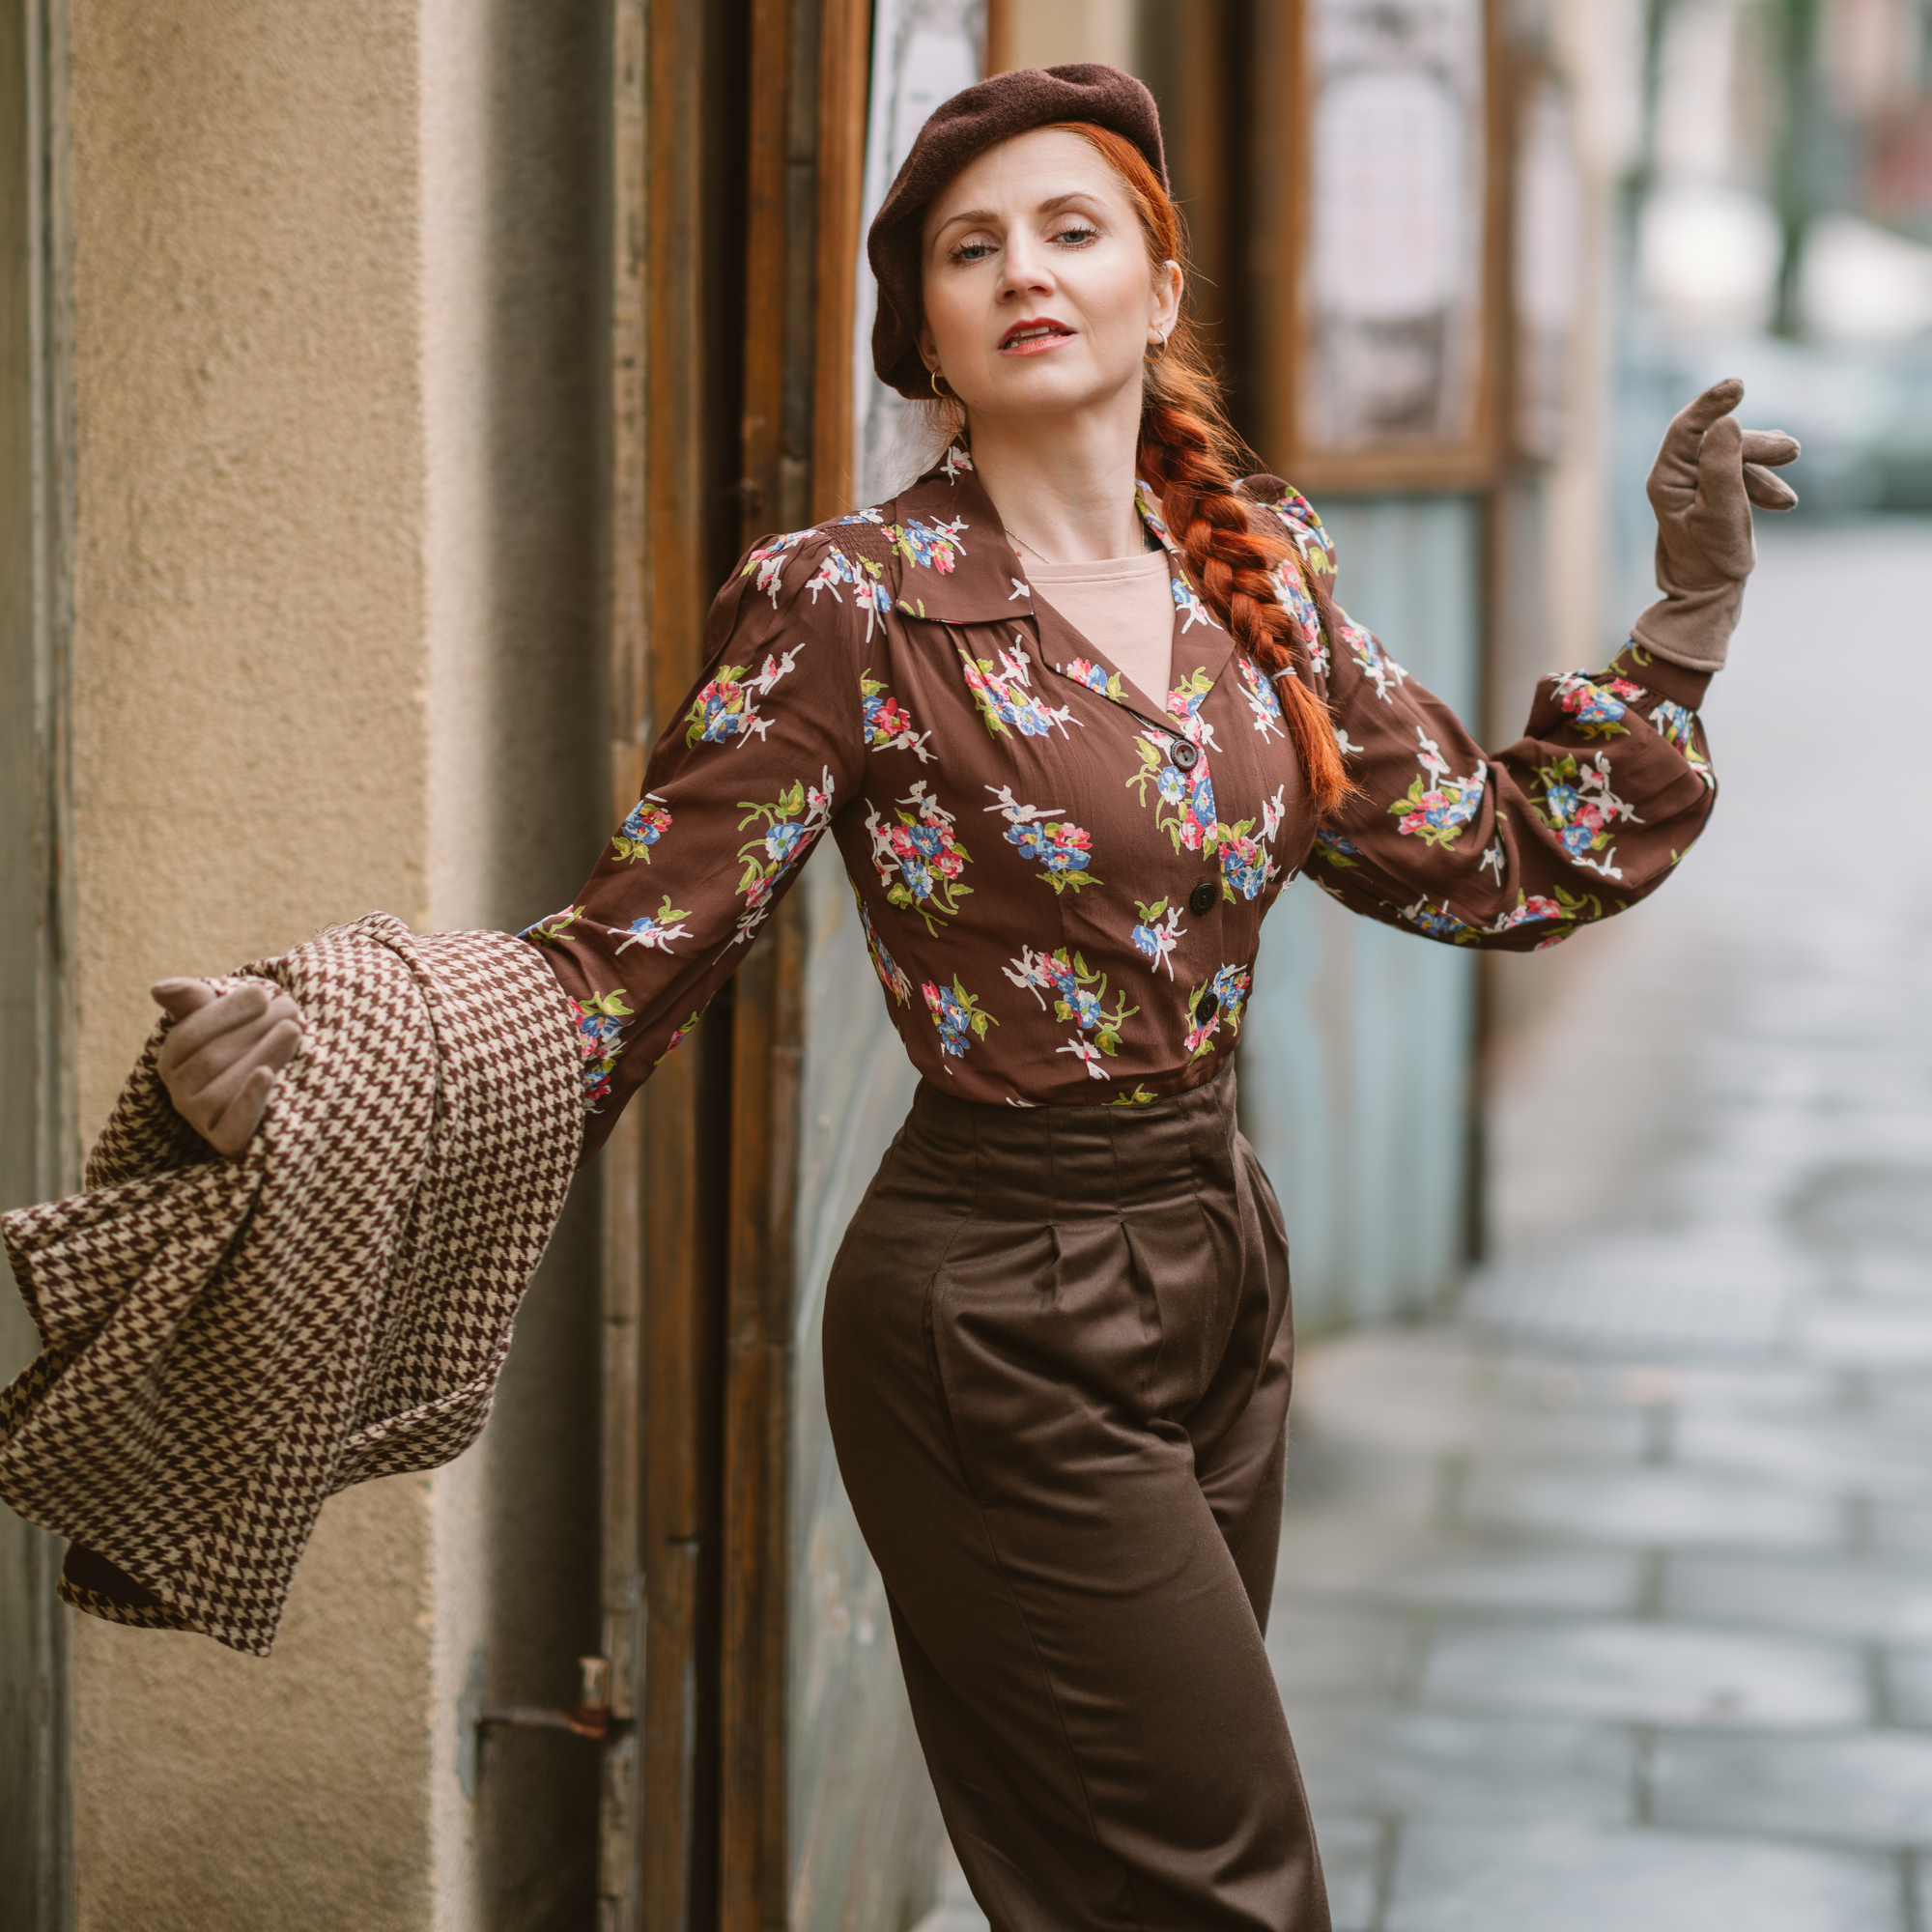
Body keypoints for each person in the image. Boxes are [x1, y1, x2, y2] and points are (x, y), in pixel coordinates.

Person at [151, 62, 1796, 1932]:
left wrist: (1684, 617)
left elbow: (1488, 859)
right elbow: (622, 962)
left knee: (1121, 1886)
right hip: (991, 1308)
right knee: (1221, 1888)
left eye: (1071, 229)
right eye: (969, 246)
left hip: (1214, 1260)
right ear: (922, 330)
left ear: (1158, 292)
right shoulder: (844, 598)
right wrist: (331, 1066)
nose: (1025, 269)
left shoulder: (1256, 568)